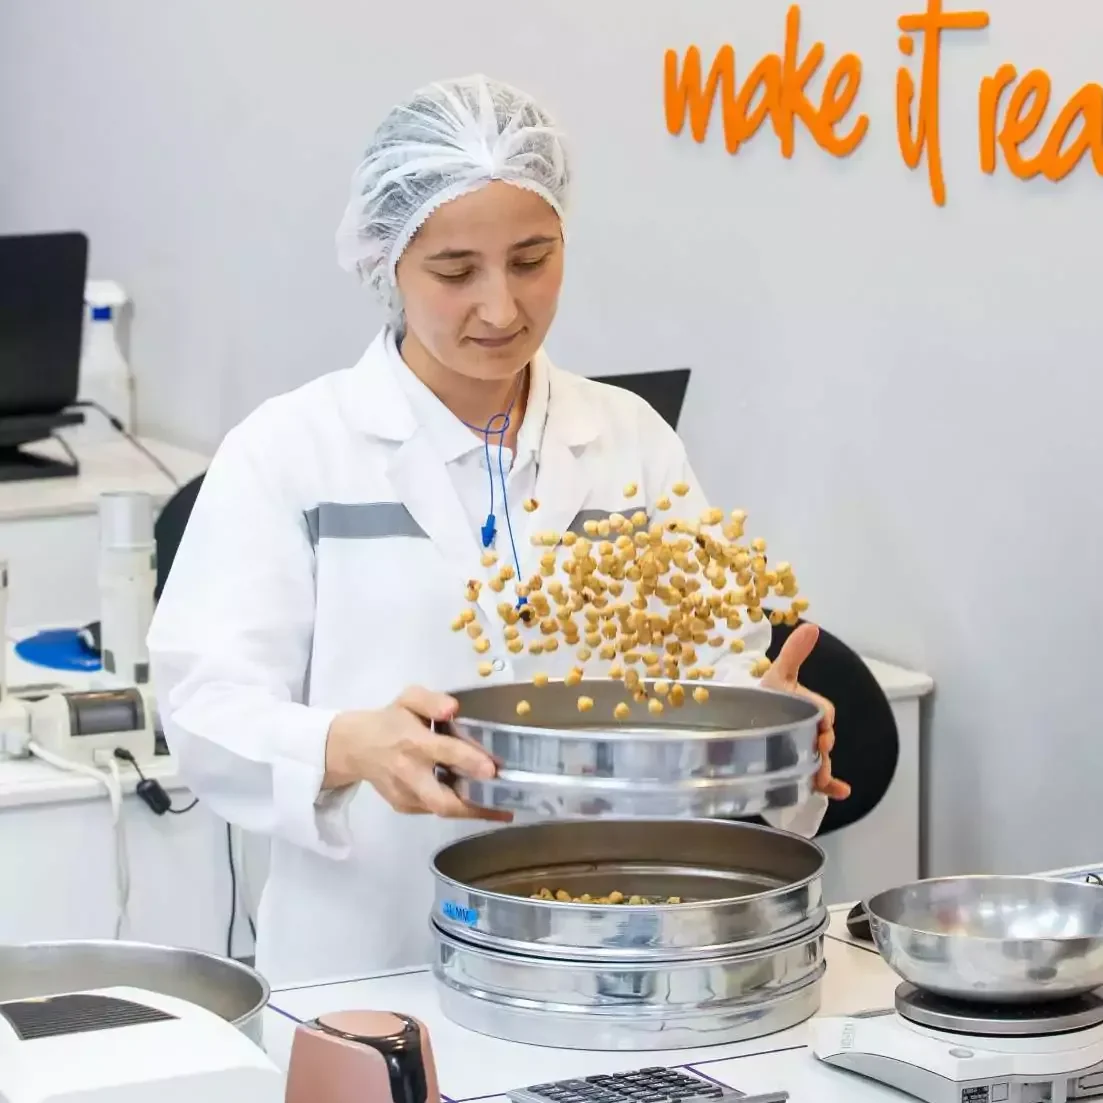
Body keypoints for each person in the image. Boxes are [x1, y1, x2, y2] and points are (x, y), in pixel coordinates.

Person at [148, 74, 850, 987]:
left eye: (532, 259)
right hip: (374, 960)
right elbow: (206, 709)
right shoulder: (293, 452)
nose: (501, 308)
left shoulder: (630, 442)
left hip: (614, 957)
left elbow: (702, 683)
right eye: (453, 271)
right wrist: (350, 744)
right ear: (386, 262)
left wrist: (770, 728)